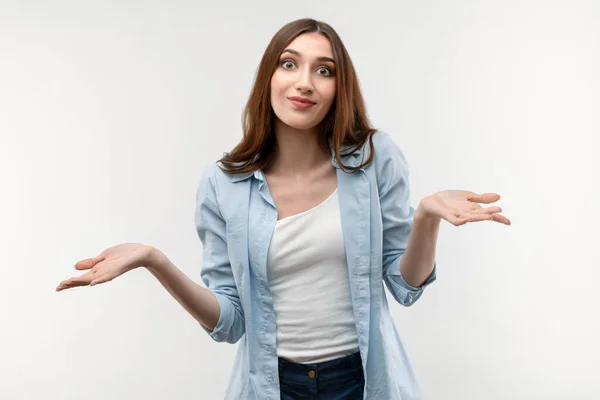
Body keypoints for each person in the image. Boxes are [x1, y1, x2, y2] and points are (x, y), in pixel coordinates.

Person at [56, 18, 511, 400]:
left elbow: (405, 285)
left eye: (324, 70)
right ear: (268, 78)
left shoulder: (376, 158)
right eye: (289, 64)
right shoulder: (223, 184)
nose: (305, 83)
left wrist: (426, 217)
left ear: (339, 87)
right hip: (273, 385)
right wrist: (153, 259)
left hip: (363, 381)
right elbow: (231, 322)